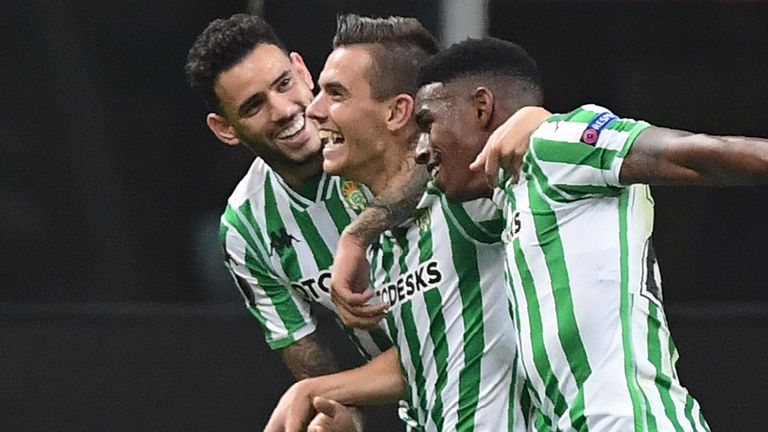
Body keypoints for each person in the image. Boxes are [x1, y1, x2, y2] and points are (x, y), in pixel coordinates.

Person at [404, 36, 768, 430]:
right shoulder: (512, 190)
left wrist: (540, 121)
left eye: (427, 124)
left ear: (481, 107)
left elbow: (695, 153)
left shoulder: (553, 141)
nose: (421, 149)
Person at [266, 14, 530, 432]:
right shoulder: (383, 242)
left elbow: (523, 145)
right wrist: (324, 395)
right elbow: (427, 357)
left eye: (335, 94)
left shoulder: (466, 200)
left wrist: (539, 121)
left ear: (397, 112)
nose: (313, 110)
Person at [184, 14, 428, 430]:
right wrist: (339, 417)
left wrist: (357, 233)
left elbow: (432, 161)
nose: (283, 110)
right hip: (428, 407)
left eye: (283, 84)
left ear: (302, 70)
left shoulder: (382, 137)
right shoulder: (247, 230)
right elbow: (319, 379)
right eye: (254, 105)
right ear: (225, 129)